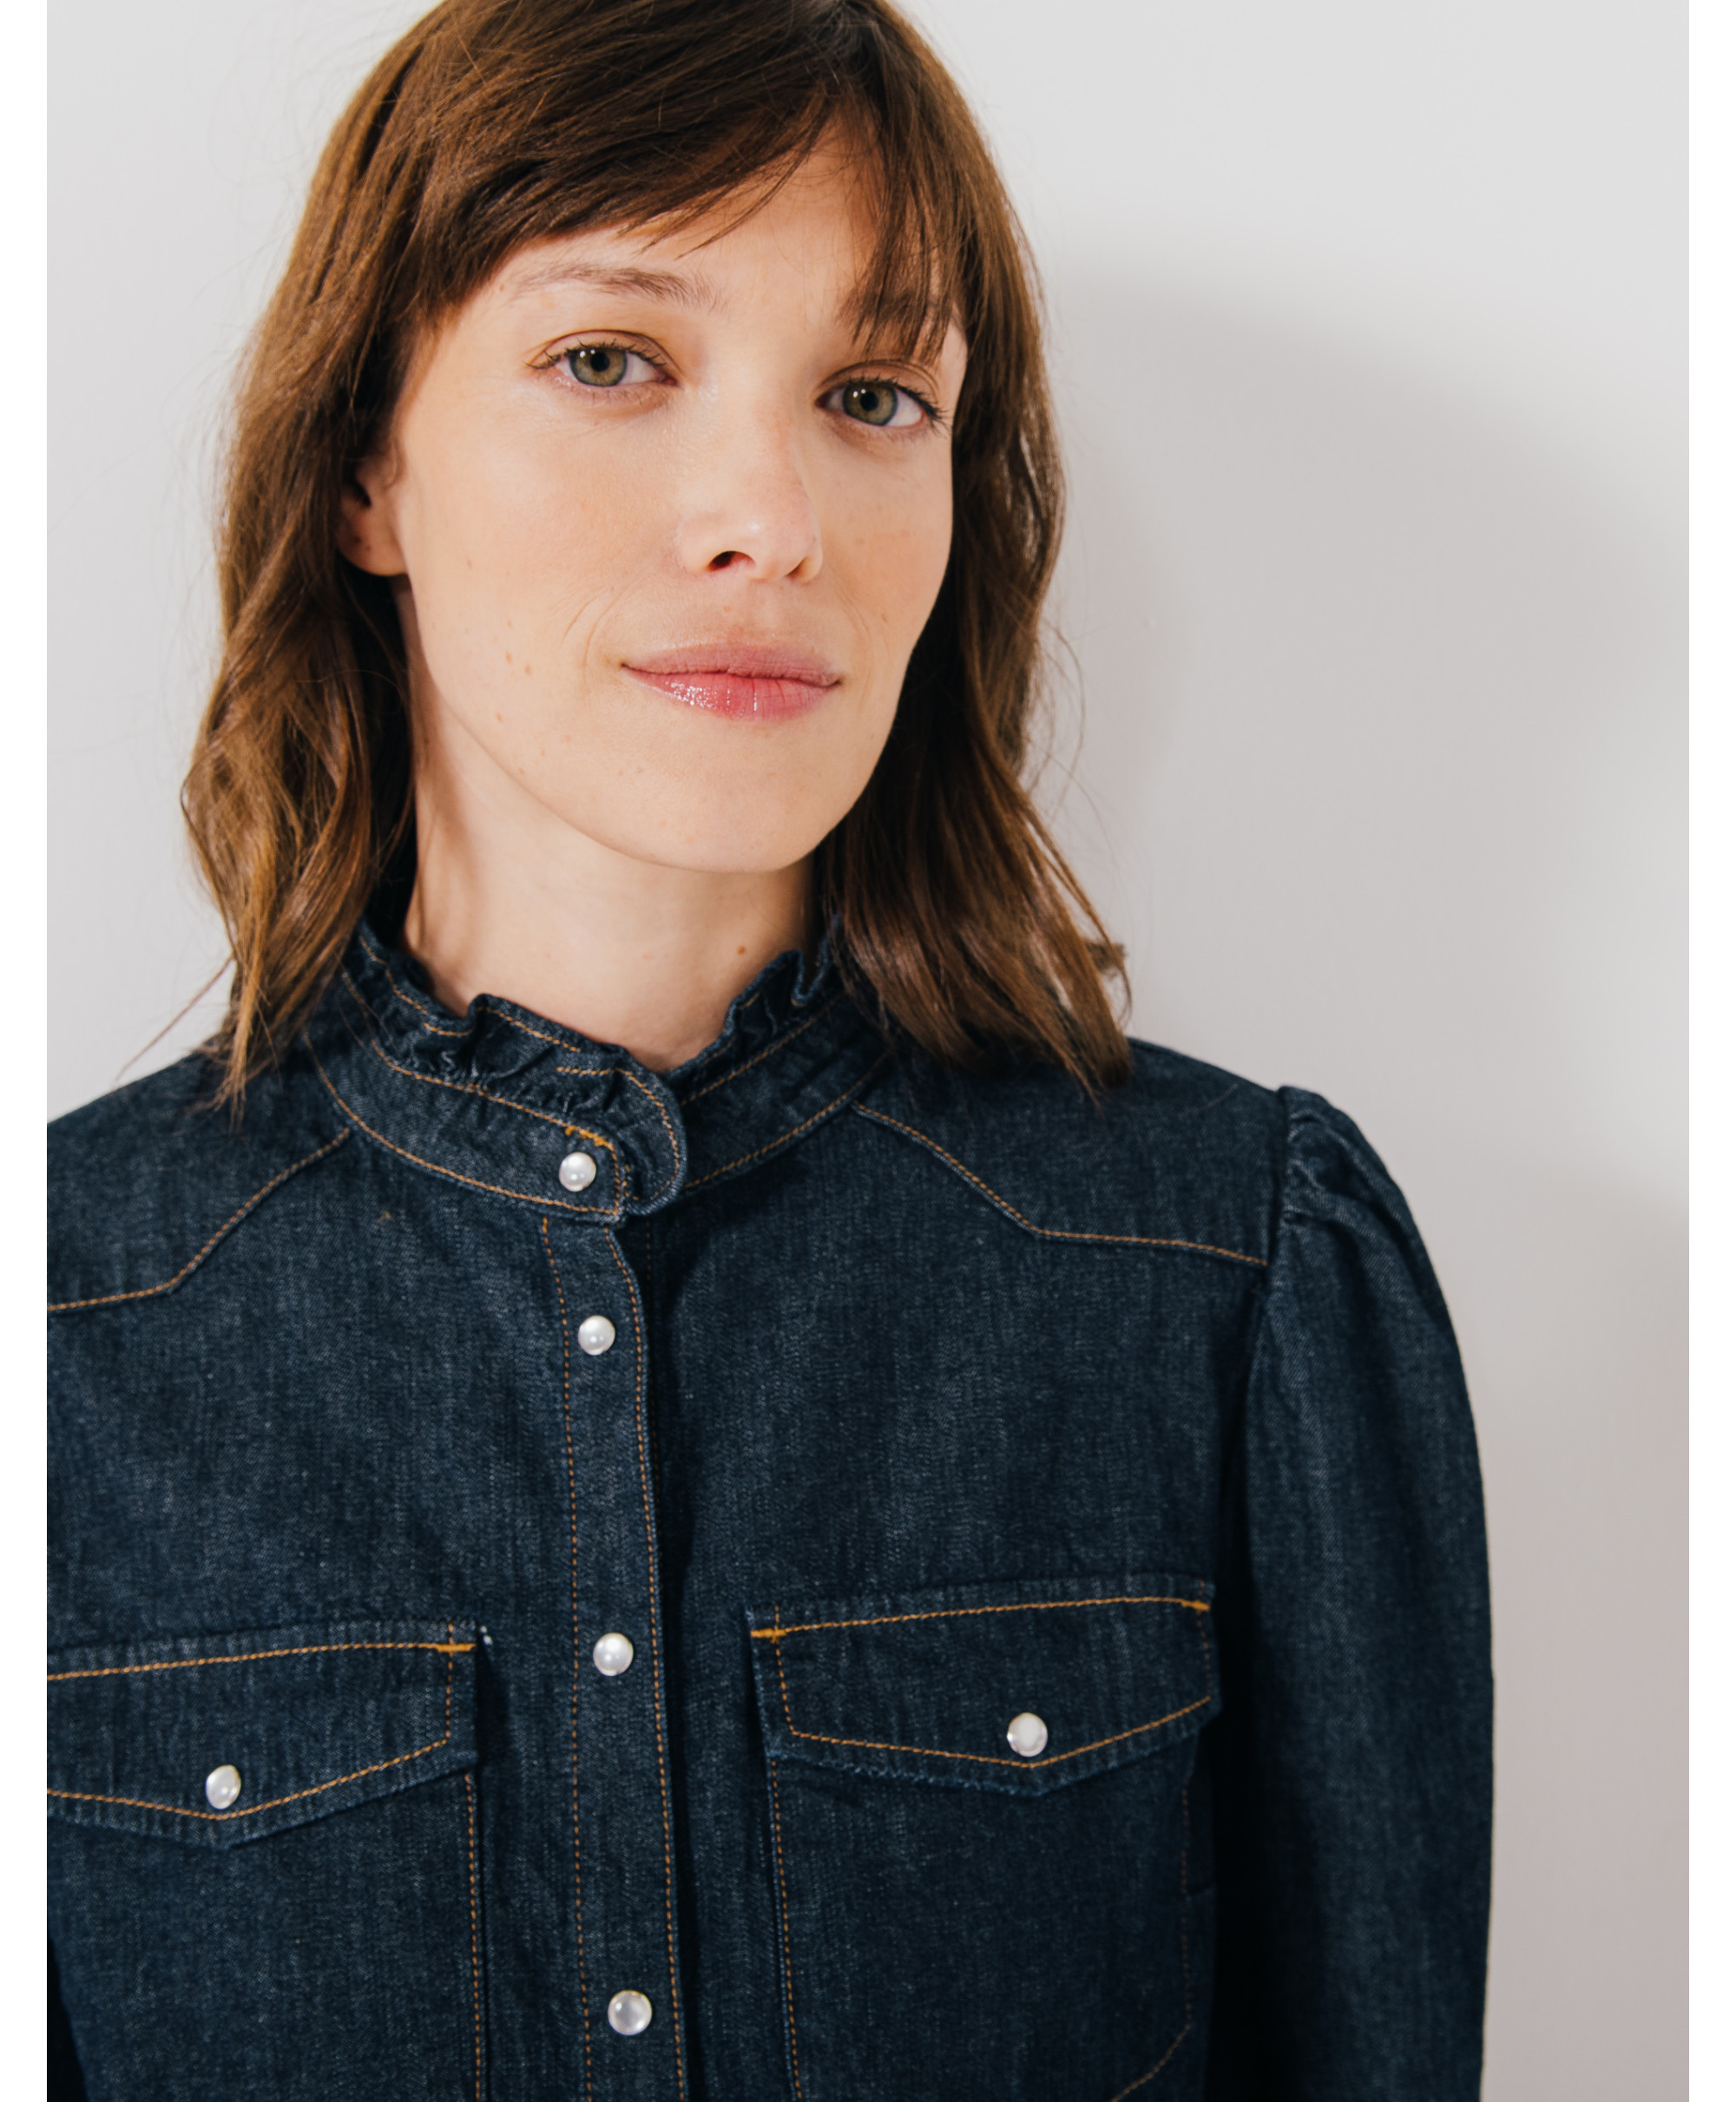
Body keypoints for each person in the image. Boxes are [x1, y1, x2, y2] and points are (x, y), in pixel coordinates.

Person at [46, 1, 1492, 2094]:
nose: (772, 515)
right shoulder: (62, 1320)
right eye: (609, 360)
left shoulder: (1238, 1270)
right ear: (366, 462)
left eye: (872, 395)